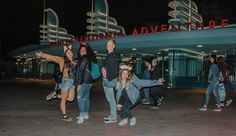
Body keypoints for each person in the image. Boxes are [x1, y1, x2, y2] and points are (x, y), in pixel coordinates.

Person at [35, 47, 76, 121]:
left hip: (72, 83)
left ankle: (55, 95)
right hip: (66, 82)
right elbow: (52, 57)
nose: (70, 53)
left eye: (71, 52)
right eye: (68, 52)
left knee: (71, 99)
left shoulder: (74, 62)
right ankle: (65, 116)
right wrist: (42, 55)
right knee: (63, 100)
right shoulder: (62, 60)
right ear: (65, 55)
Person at [74, 42, 97, 124]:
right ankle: (86, 114)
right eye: (81, 50)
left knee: (79, 97)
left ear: (87, 51)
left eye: (84, 50)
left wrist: (79, 84)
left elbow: (80, 72)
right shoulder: (89, 59)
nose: (82, 51)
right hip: (89, 82)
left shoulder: (84, 58)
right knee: (86, 98)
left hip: (84, 82)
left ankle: (81, 115)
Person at [102, 39, 119, 123]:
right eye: (107, 44)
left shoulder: (111, 56)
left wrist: (106, 77)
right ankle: (112, 114)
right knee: (110, 99)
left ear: (114, 46)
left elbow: (114, 71)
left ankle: (113, 117)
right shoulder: (110, 55)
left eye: (110, 44)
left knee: (111, 99)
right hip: (108, 80)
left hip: (108, 80)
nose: (108, 45)